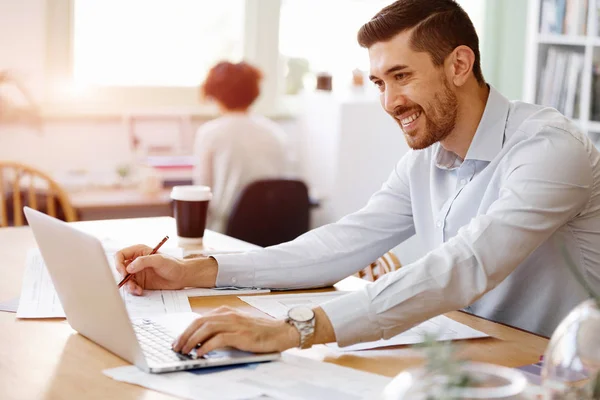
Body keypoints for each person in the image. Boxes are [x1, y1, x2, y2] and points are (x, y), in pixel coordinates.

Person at [116, 0, 600, 357]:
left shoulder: (550, 149)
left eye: (402, 76)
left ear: (459, 64)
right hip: (472, 354)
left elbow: (468, 263)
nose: (389, 103)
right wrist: (195, 271)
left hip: (560, 370)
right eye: (379, 83)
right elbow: (339, 245)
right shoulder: (426, 159)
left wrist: (295, 328)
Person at [192, 61, 288, 232]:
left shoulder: (210, 133)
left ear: (215, 94)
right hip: (276, 232)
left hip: (228, 232)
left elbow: (202, 191)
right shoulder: (275, 132)